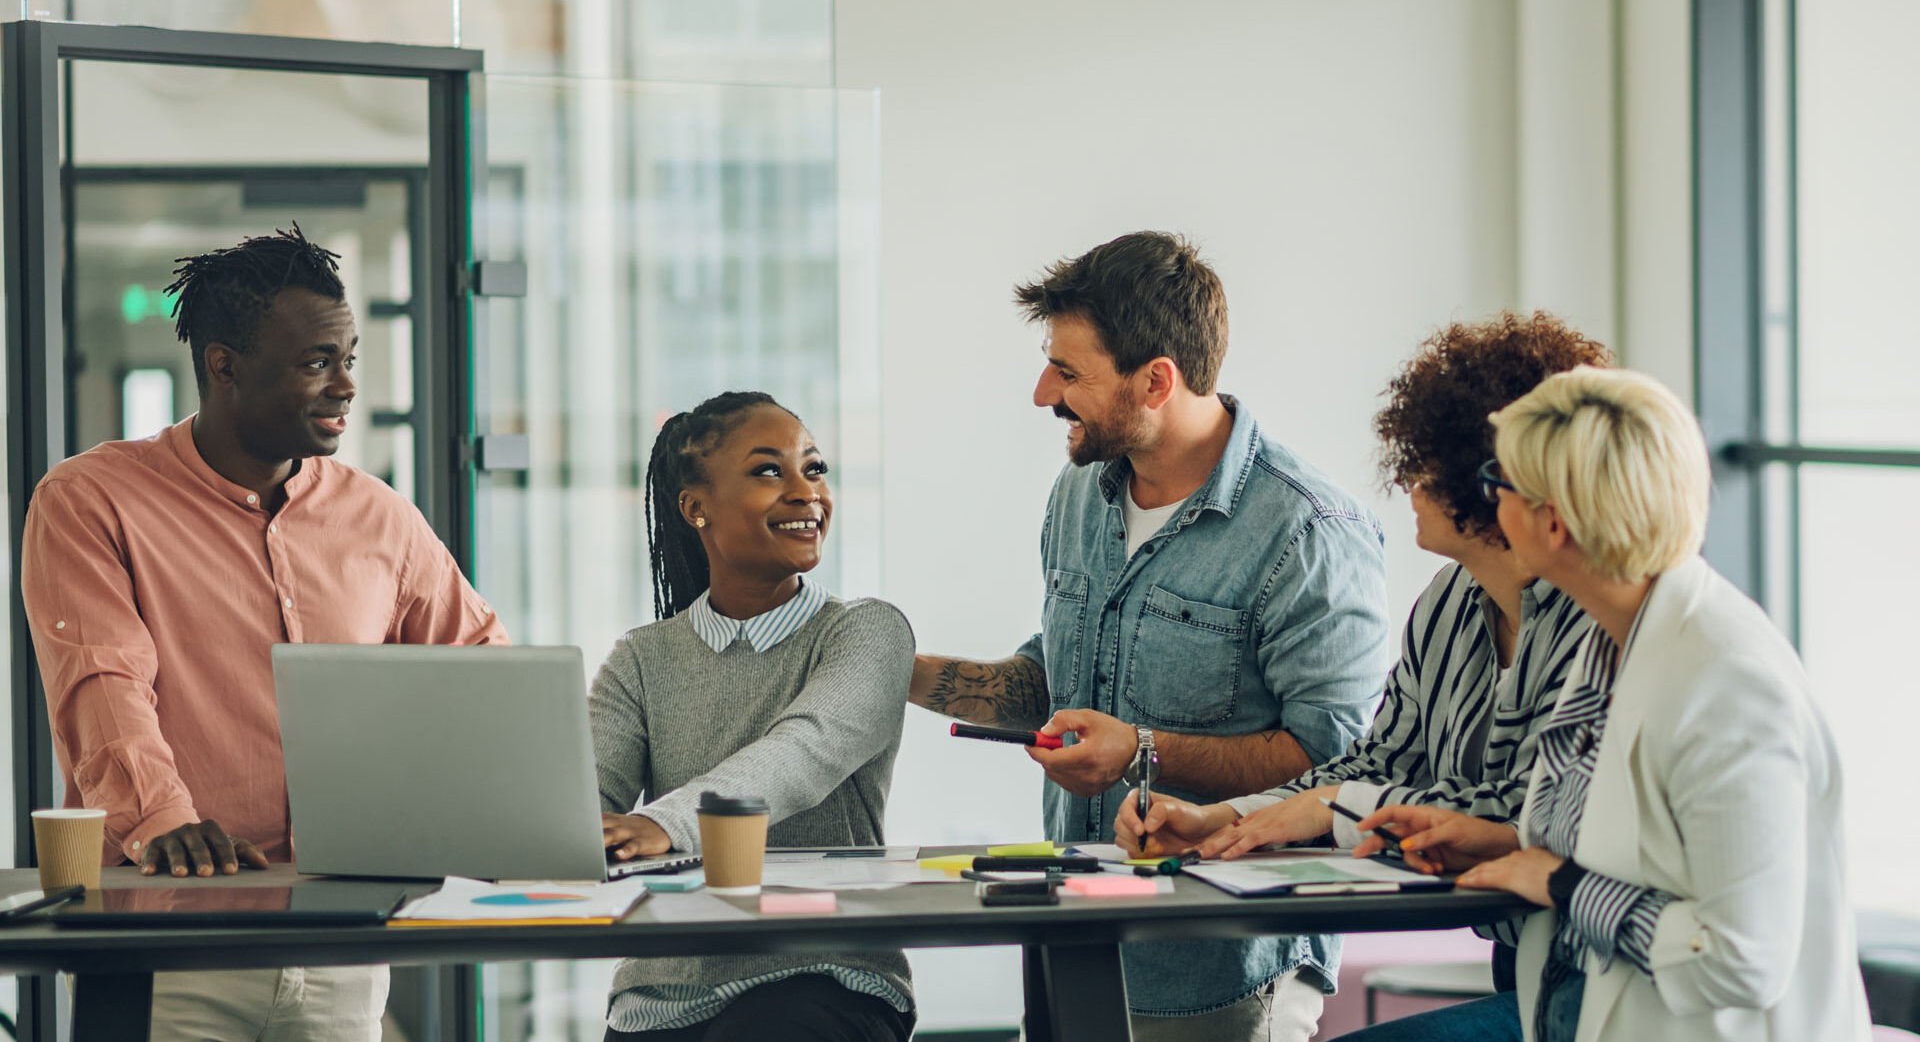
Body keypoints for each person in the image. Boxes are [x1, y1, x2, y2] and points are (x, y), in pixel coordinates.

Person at [20, 226, 508, 1041]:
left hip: (343, 939)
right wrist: (163, 822)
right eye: (318, 362)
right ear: (224, 364)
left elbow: (484, 676)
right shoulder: (89, 501)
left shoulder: (379, 517)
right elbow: (102, 686)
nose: (346, 385)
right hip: (170, 933)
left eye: (350, 357)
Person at [911, 232, 1393, 1041]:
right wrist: (895, 668)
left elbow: (1337, 759)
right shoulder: (1078, 495)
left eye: (1068, 373)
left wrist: (1142, 749)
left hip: (1223, 968)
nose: (1042, 394)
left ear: (1157, 380)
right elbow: (1058, 688)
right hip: (1076, 944)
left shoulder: (1308, 532)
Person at [1336, 367, 1872, 1042]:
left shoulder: (1729, 684)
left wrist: (1560, 885)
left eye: (1497, 487)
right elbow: (1636, 850)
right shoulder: (1611, 643)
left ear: (1552, 523)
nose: (1486, 502)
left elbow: (1740, 960)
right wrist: (1503, 840)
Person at [1116, 312, 1608, 1022]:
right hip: (1525, 963)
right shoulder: (1449, 602)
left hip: (1602, 978)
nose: (1405, 476)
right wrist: (1223, 820)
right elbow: (1378, 762)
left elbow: (1531, 815)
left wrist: (1336, 808)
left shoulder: (1595, 618)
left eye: (1425, 456)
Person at [590, 391, 916, 1042]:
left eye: (814, 468)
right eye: (770, 471)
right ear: (696, 508)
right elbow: (581, 812)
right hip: (662, 992)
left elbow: (803, 753)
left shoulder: (868, 633)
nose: (806, 492)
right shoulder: (641, 659)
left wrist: (664, 822)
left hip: (825, 976)